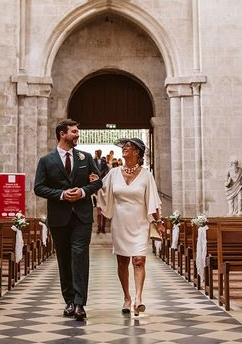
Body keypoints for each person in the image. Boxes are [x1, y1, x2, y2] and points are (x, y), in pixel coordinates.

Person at [34, 119, 103, 321]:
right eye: (73, 132)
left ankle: (81, 303)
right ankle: (70, 301)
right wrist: (62, 195)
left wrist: (82, 191)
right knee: (64, 259)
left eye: (77, 131)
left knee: (80, 257)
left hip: (81, 216)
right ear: (62, 134)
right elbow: (38, 187)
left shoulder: (85, 158)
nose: (77, 135)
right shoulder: (46, 161)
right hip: (59, 217)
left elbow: (97, 181)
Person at [97, 137, 163, 316]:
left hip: (140, 222)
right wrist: (94, 181)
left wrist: (158, 221)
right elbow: (102, 191)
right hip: (120, 223)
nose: (125, 148)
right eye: (124, 146)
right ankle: (127, 297)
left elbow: (153, 201)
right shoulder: (114, 173)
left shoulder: (146, 175)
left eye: (129, 146)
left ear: (137, 152)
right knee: (122, 261)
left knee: (139, 260)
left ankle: (139, 297)